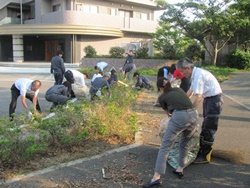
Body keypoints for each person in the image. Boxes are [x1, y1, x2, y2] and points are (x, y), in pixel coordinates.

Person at [142, 77, 198, 188]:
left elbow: (169, 114)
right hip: (194, 115)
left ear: (160, 88)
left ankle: (156, 178)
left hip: (180, 117)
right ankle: (180, 169)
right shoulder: (179, 90)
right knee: (184, 143)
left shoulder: (162, 97)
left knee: (165, 147)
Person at [176, 57, 223, 164]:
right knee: (205, 126)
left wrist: (189, 112)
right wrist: (180, 104)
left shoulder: (198, 75)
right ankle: (202, 150)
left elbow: (198, 98)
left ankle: (205, 156)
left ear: (188, 68)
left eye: (182, 71)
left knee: (209, 127)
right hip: (209, 100)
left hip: (214, 101)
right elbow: (190, 92)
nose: (182, 74)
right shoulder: (195, 74)